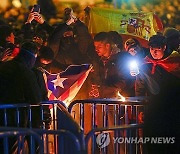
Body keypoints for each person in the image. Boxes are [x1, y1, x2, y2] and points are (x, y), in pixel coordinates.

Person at [135, 34, 180, 153]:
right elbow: (140, 88)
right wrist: (141, 109)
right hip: (152, 110)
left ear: (164, 47)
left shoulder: (175, 62)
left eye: (157, 49)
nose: (154, 52)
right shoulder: (145, 64)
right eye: (151, 49)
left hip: (172, 110)